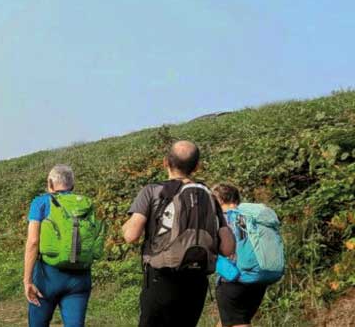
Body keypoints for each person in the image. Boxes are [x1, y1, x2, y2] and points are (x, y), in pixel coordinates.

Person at [121, 140, 236, 327]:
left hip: (161, 278)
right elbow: (228, 248)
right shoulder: (209, 196)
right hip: (196, 282)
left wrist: (126, 226)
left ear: (165, 162)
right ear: (197, 166)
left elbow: (131, 236)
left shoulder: (153, 191)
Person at [24, 165, 103, 327]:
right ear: (72, 184)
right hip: (80, 278)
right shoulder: (86, 204)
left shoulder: (41, 203)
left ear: (50, 183)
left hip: (47, 278)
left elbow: (33, 242)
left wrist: (27, 280)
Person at [212, 184, 283, 327]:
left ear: (219, 200)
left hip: (234, 278)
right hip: (259, 279)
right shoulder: (251, 216)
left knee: (238, 323)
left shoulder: (224, 219)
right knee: (230, 321)